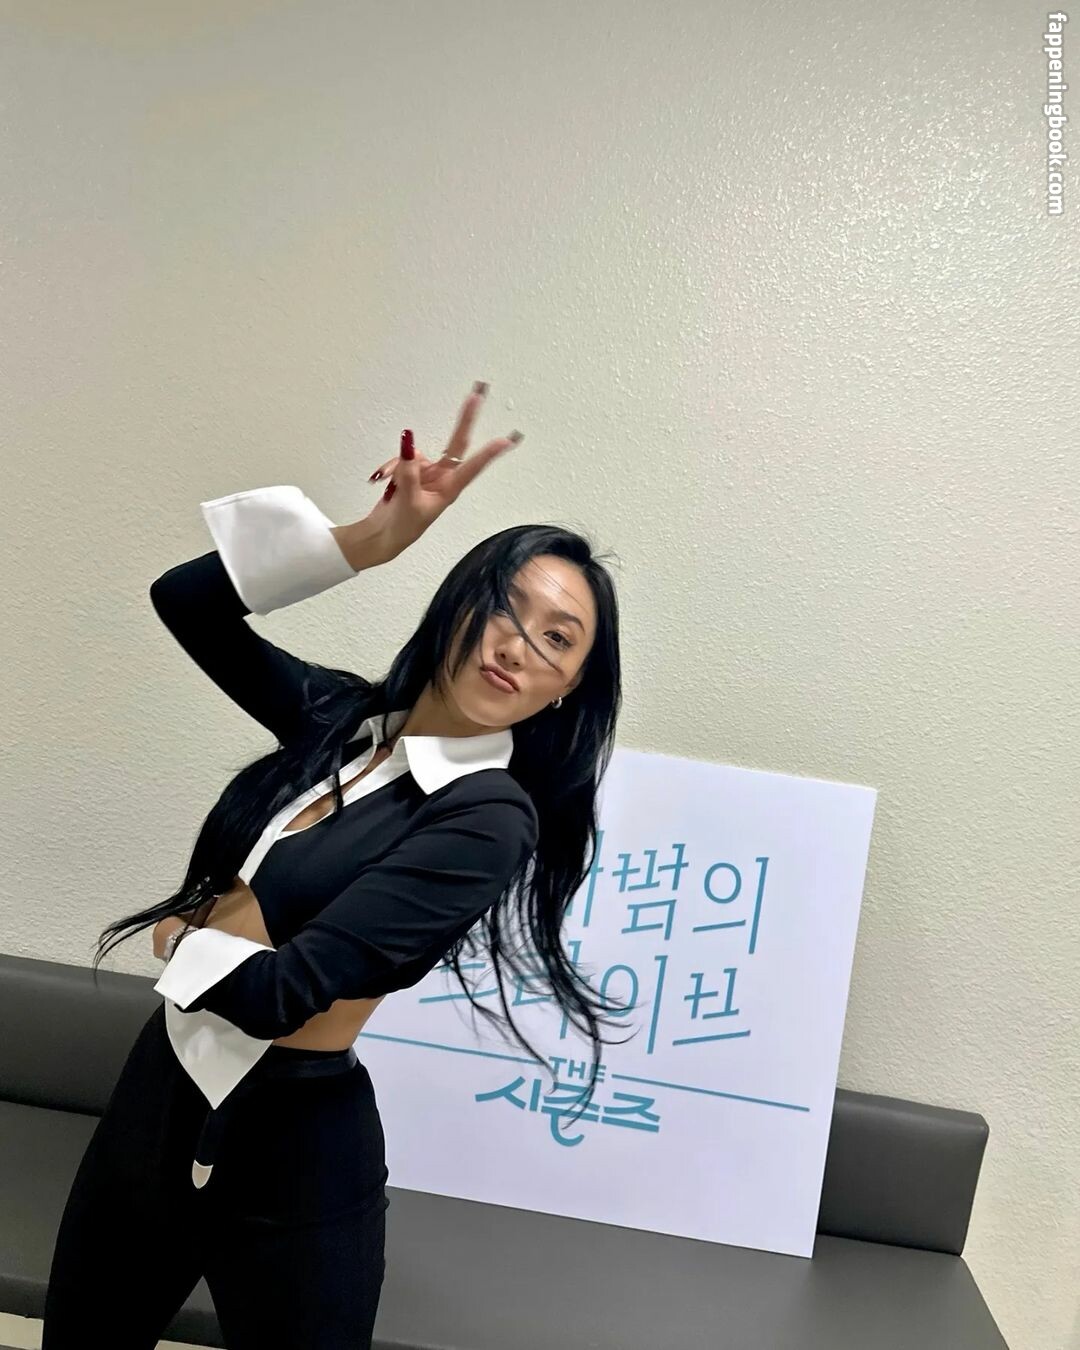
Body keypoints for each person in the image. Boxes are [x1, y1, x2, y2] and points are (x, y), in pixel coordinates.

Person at [41, 381, 629, 1349]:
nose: (517, 645)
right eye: (506, 607)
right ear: (460, 603)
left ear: (568, 689)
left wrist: (178, 939)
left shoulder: (489, 816)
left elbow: (288, 994)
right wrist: (370, 539)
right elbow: (184, 603)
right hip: (159, 1092)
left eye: (557, 639)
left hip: (293, 1150)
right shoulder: (340, 721)